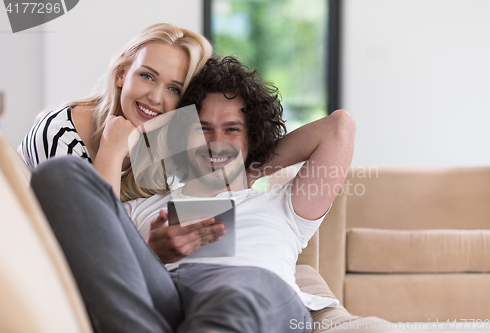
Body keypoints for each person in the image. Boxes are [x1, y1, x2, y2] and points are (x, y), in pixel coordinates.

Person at [30, 56, 357, 332]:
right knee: (59, 174)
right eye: (202, 128)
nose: (216, 141)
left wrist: (242, 170)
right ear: (180, 134)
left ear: (252, 137)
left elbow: (339, 127)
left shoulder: (284, 206)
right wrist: (151, 252)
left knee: (243, 291)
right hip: (167, 299)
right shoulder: (144, 204)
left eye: (232, 129)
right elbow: (99, 248)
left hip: (257, 300)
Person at [18, 23, 227, 263]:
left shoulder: (165, 136)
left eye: (174, 89)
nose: (156, 97)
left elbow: (217, 206)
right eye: (147, 76)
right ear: (121, 75)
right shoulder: (60, 134)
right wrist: (112, 152)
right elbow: (97, 246)